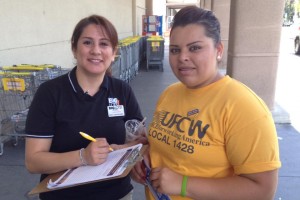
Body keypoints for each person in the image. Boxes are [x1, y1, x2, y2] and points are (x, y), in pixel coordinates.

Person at [131, 6, 281, 200]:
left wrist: (184, 184)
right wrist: (142, 158)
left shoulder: (244, 107)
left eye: (195, 48)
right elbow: (168, 148)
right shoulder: (169, 94)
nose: (182, 57)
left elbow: (263, 190)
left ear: (218, 50)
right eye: (175, 50)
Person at [25, 15, 146, 200]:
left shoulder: (122, 90)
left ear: (113, 52)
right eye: (88, 42)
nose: (96, 51)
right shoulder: (50, 93)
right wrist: (83, 157)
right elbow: (33, 161)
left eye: (104, 44)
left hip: (117, 194)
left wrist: (121, 149)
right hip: (63, 196)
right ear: (74, 48)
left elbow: (140, 141)